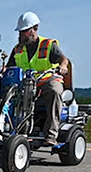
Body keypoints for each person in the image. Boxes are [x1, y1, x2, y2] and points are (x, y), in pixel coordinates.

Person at [5, 11, 69, 146]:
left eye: (25, 31)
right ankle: (17, 131)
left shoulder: (48, 45)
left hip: (47, 79)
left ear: (35, 29)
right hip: (26, 82)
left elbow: (63, 59)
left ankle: (51, 134)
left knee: (54, 91)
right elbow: (9, 67)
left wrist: (63, 66)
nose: (22, 35)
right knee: (9, 95)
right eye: (21, 32)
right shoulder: (18, 49)